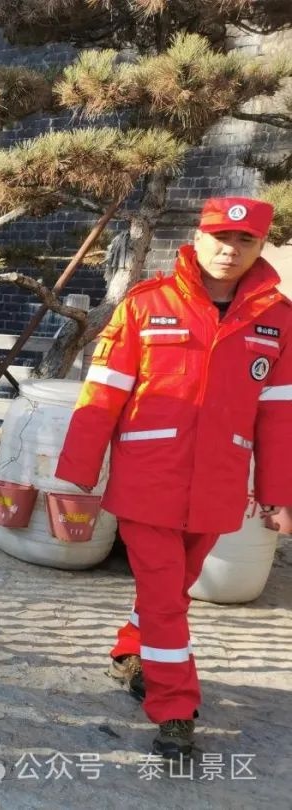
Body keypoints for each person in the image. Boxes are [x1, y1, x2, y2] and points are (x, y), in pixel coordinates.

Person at [56, 196, 292, 759]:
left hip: (218, 489)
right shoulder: (146, 304)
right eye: (219, 237)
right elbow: (102, 395)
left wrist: (279, 495)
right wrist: (78, 474)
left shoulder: (279, 320)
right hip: (148, 485)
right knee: (166, 599)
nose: (228, 251)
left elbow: (280, 414)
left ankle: (128, 653)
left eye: (244, 242)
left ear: (261, 247)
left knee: (172, 589)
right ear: (198, 235)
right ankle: (176, 707)